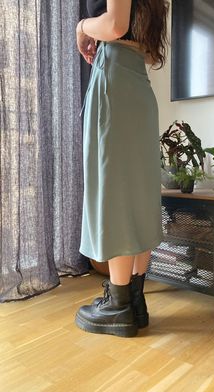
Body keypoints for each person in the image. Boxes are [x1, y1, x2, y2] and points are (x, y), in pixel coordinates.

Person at [75, 0, 169, 337]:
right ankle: (134, 299)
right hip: (137, 82)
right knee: (140, 191)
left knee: (113, 187)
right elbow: (148, 50)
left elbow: (114, 25)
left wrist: (83, 26)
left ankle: (117, 306)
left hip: (114, 75)